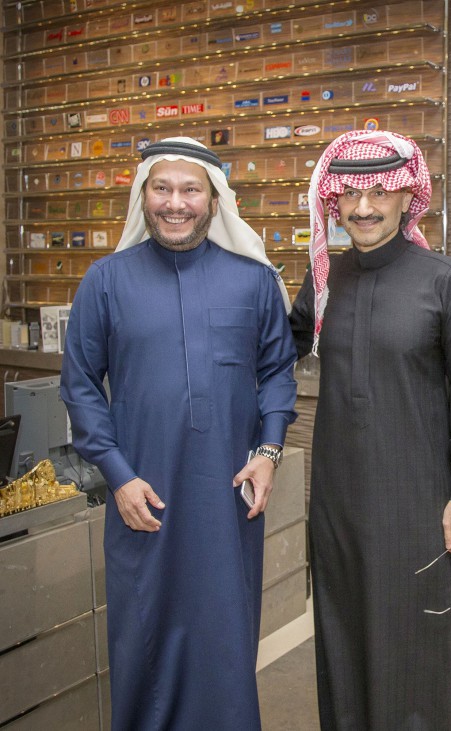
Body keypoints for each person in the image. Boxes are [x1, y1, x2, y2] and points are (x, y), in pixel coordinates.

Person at [60, 137, 297, 730]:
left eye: (190, 190)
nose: (175, 203)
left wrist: (268, 451)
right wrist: (118, 477)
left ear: (214, 201)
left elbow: (277, 372)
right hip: (143, 497)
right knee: (145, 640)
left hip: (229, 496)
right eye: (161, 188)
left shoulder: (253, 281)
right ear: (143, 196)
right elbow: (80, 385)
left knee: (224, 638)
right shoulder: (105, 281)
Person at [289, 129, 451, 729]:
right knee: (343, 642)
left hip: (419, 502)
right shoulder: (324, 280)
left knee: (419, 649)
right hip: (338, 505)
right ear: (334, 202)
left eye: (379, 192)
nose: (364, 208)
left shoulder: (444, 279)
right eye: (350, 194)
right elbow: (269, 352)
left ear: (407, 197)